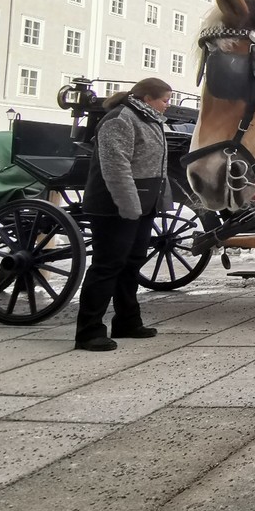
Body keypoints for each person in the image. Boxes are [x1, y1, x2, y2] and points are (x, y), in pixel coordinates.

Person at [74, 77, 173, 351]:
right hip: (115, 207)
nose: (168, 105)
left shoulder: (149, 119)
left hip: (140, 206)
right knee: (107, 265)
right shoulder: (121, 119)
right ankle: (89, 331)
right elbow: (115, 167)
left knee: (131, 263)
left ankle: (127, 321)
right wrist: (129, 206)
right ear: (147, 99)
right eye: (165, 100)